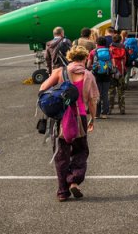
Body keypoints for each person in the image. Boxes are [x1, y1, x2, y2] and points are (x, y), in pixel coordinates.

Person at [40, 46, 98, 202]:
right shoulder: (88, 75)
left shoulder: (60, 72)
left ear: (71, 57)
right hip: (80, 117)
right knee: (80, 150)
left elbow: (43, 88)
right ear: (85, 58)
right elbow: (92, 100)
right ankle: (73, 179)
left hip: (60, 118)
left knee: (61, 154)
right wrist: (93, 117)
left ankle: (62, 192)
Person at [87, 37, 113, 118]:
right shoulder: (109, 51)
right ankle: (105, 113)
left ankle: (96, 114)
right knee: (105, 94)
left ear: (96, 43)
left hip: (96, 75)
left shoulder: (93, 52)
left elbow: (88, 65)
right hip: (107, 75)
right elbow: (112, 63)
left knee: (96, 94)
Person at [109, 34, 127, 115]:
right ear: (120, 40)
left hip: (112, 72)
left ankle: (109, 108)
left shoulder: (110, 49)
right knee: (121, 91)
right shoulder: (123, 48)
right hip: (121, 72)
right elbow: (127, 59)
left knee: (111, 91)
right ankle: (122, 108)